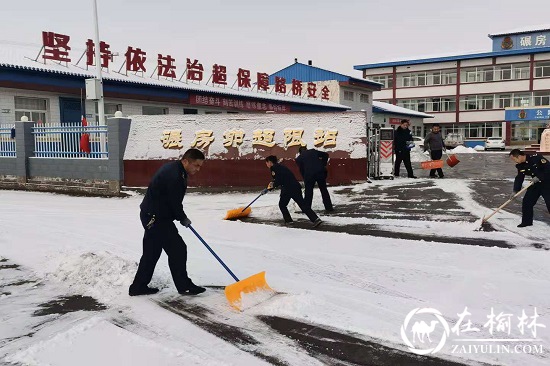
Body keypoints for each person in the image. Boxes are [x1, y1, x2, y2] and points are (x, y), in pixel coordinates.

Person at [129, 148, 206, 296]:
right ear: (185, 161)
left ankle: (138, 287)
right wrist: (182, 217)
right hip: (156, 219)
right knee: (178, 249)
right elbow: (174, 202)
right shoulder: (174, 175)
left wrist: (180, 216)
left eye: (200, 166)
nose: (198, 169)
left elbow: (170, 200)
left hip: (154, 216)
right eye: (196, 165)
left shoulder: (176, 170)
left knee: (152, 253)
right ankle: (184, 286)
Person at [265, 155, 322, 227]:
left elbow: (278, 180)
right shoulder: (281, 167)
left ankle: (289, 221)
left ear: (270, 162)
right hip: (295, 187)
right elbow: (279, 179)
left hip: (288, 189)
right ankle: (316, 219)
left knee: (282, 205)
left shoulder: (274, 168)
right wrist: (271, 186)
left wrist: (270, 187)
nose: (266, 165)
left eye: (266, 163)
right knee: (302, 205)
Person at [509, 149, 550, 228]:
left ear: (520, 156)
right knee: (527, 202)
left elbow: (548, 168)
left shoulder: (536, 158)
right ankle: (526, 222)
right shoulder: (521, 165)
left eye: (514, 159)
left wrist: (539, 177)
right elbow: (519, 178)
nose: (514, 161)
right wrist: (515, 190)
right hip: (535, 184)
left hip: (547, 183)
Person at [295, 146, 334, 211]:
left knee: (308, 192)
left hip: (309, 175)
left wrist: (305, 179)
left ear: (299, 153)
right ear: (306, 149)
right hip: (320, 172)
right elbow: (326, 155)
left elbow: (302, 170)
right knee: (324, 190)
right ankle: (329, 207)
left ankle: (307, 208)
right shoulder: (313, 151)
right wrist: (323, 164)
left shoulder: (299, 159)